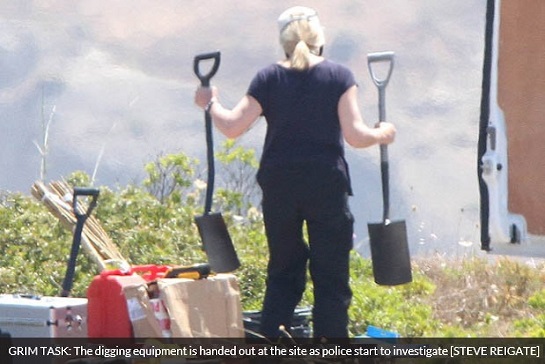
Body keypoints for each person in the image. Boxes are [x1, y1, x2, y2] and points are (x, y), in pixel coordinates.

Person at [194, 6, 396, 339]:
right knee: (331, 273)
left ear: (283, 41)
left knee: (284, 270)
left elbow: (232, 127)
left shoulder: (268, 78)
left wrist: (209, 102)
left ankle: (272, 345)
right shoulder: (339, 77)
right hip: (325, 183)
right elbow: (356, 136)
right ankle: (329, 348)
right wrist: (383, 133)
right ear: (320, 39)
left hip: (280, 186)